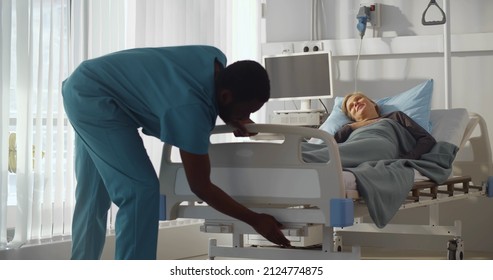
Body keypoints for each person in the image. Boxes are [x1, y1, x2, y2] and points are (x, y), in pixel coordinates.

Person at [62, 45, 290, 260]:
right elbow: (201, 186)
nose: (246, 116)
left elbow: (195, 98)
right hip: (95, 100)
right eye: (246, 110)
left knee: (93, 196)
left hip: (85, 84)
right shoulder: (190, 110)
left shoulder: (214, 60)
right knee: (140, 192)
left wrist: (232, 115)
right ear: (226, 97)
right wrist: (255, 219)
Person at [337, 91, 436, 161]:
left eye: (358, 99)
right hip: (355, 149)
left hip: (381, 147)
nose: (355, 103)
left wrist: (407, 158)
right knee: (329, 152)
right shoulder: (348, 128)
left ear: (373, 103)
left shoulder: (395, 116)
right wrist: (352, 127)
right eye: (351, 107)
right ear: (353, 117)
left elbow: (427, 139)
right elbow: (334, 142)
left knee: (327, 155)